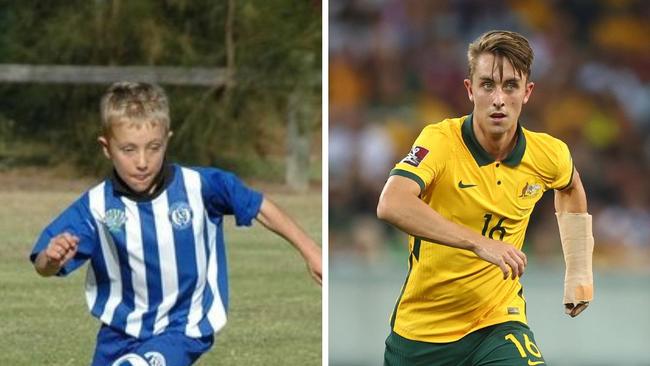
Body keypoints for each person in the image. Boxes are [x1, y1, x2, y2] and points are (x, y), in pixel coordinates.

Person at [29, 82, 322, 366]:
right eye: (129, 150)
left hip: (183, 328)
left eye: (153, 147)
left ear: (167, 139)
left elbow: (259, 207)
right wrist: (51, 259)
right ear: (107, 147)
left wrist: (311, 251)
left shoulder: (200, 186)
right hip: (118, 334)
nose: (142, 161)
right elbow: (43, 265)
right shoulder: (94, 207)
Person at [377, 30, 594, 365]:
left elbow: (570, 187)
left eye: (510, 85)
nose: (498, 98)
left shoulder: (548, 154)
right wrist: (480, 243)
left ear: (527, 93)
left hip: (497, 323)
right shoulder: (440, 141)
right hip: (422, 334)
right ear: (470, 89)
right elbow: (392, 203)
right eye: (488, 84)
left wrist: (579, 274)